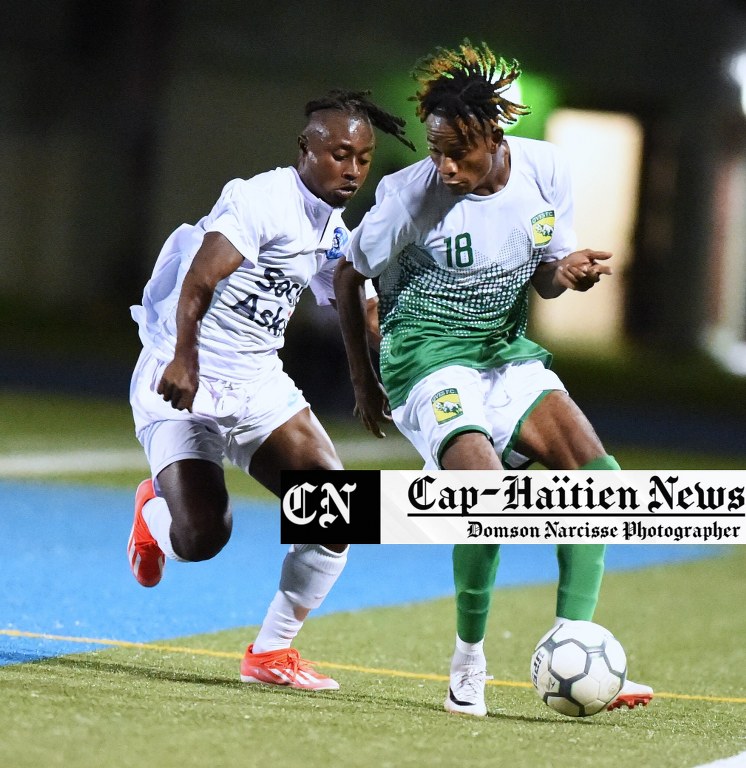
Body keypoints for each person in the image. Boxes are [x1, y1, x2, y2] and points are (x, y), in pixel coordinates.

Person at [333, 41, 653, 715]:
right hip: (423, 359)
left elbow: (545, 268)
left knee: (600, 481)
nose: (445, 167)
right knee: (486, 496)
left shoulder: (547, 169)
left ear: (495, 135)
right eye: (435, 150)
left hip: (504, 355)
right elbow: (346, 273)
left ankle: (574, 640)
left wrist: (564, 275)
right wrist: (365, 383)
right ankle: (467, 663)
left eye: (459, 152)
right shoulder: (405, 199)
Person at [128, 89, 414, 691]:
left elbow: (357, 309)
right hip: (184, 381)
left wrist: (379, 377)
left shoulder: (334, 229)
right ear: (306, 149)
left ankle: (271, 652)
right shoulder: (257, 199)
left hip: (258, 385)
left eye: (363, 159)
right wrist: (184, 357)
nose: (353, 170)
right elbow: (199, 279)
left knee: (338, 512)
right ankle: (152, 516)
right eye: (340, 155)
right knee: (203, 537)